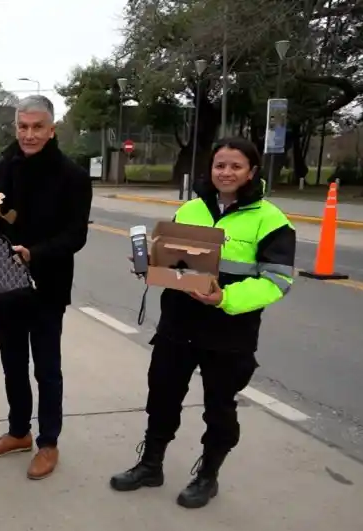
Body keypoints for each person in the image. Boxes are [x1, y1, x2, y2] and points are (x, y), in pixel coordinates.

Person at [109, 137, 296, 509]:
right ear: (210, 169)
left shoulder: (271, 220)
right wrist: (150, 267)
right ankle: (151, 464)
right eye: (219, 165)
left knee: (219, 408)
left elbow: (277, 281)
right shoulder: (190, 209)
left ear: (252, 172)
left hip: (229, 332)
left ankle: (208, 476)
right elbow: (174, 261)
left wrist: (226, 298)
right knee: (162, 395)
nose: (226, 172)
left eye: (235, 166)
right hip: (178, 324)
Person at [0, 95, 93, 480]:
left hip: (47, 284)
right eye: (22, 127)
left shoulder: (72, 176)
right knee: (12, 364)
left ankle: (48, 442)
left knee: (47, 368)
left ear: (51, 129)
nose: (28, 134)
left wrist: (36, 253)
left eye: (37, 127)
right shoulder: (3, 166)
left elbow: (75, 236)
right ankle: (18, 431)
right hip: (4, 280)